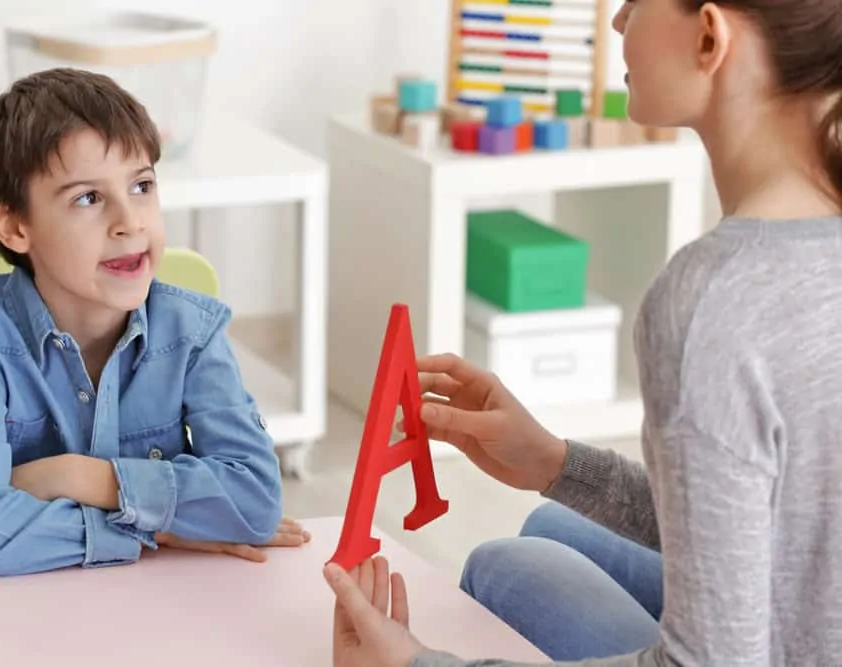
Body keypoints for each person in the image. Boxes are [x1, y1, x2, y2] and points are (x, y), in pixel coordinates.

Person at [323, 0, 842, 664]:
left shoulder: (716, 302)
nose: (619, 22)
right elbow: (787, 520)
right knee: (552, 524)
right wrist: (555, 462)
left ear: (709, 36)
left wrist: (419, 664)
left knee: (506, 565)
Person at [0, 68, 309, 577]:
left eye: (142, 185)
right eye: (88, 197)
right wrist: (160, 527)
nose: (131, 220)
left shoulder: (192, 333)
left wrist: (78, 477)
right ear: (16, 227)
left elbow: (256, 503)